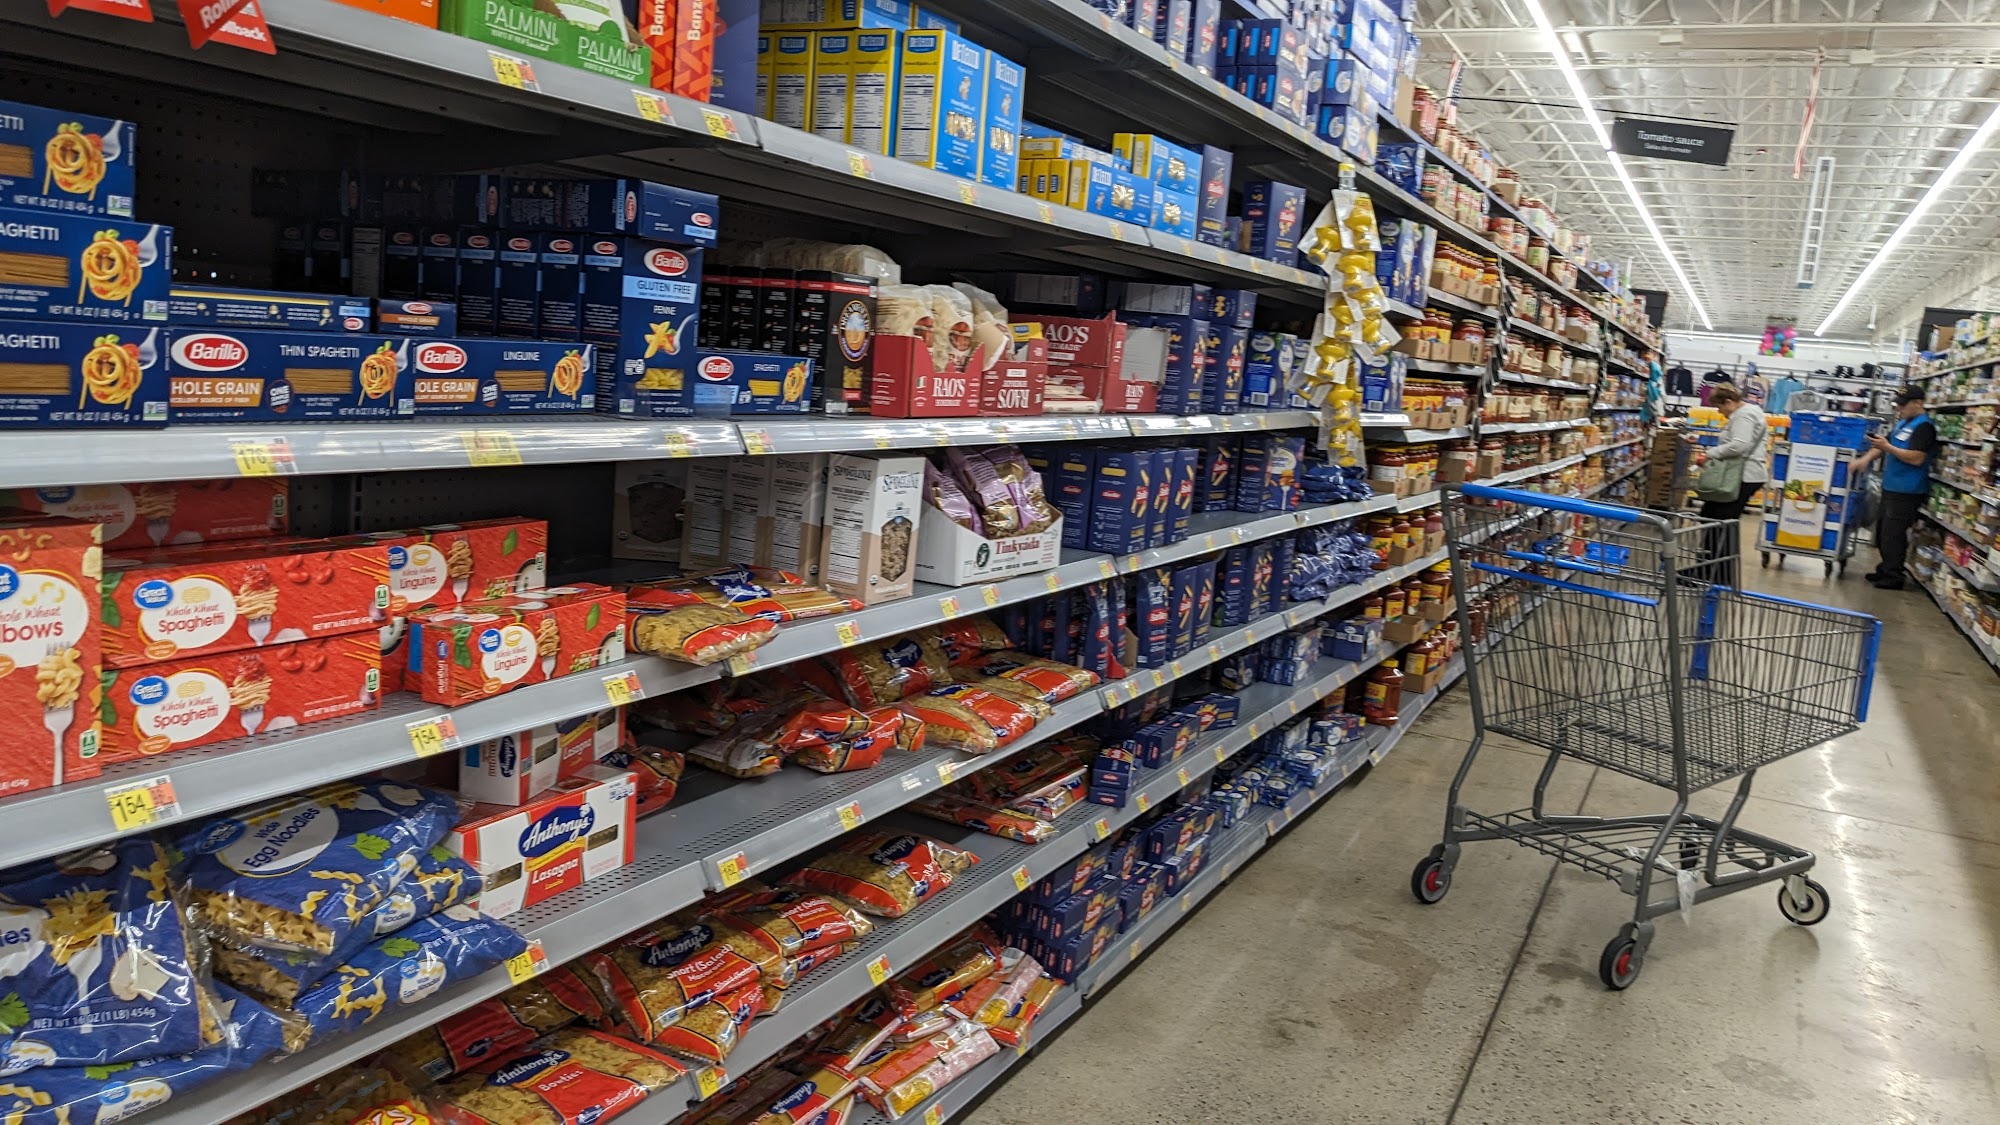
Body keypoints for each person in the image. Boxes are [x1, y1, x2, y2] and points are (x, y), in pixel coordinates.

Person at [1850, 387, 1936, 590]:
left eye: (1903, 404)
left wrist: (1888, 448)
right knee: (1882, 532)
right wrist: (1864, 460)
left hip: (1908, 490)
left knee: (1893, 535)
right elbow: (1882, 445)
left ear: (1919, 403)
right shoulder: (1903, 423)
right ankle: (1885, 568)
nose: (1899, 408)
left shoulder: (1924, 427)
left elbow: (1917, 458)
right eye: (1898, 404)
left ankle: (1894, 576)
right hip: (1892, 486)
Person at [1691, 383, 1768, 587]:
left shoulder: (1744, 415)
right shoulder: (1749, 411)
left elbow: (1739, 445)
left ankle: (1715, 575)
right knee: (1713, 517)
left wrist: (1710, 454)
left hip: (1743, 476)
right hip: (1743, 475)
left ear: (1729, 402)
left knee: (1719, 523)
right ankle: (1710, 571)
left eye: (1720, 407)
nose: (1719, 412)